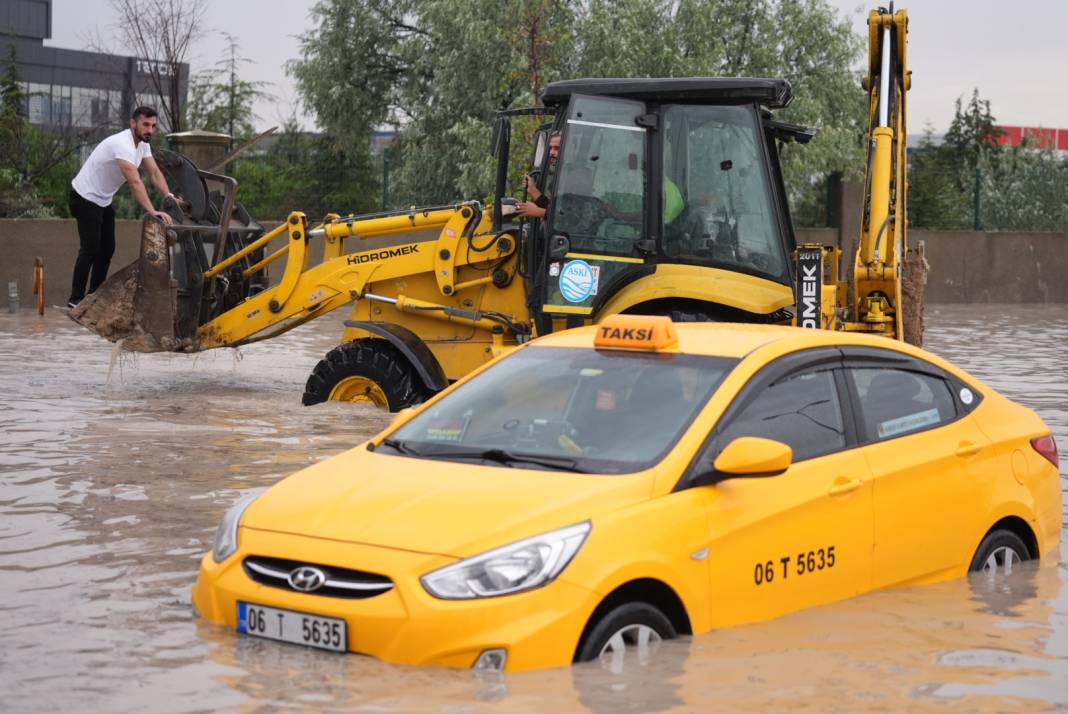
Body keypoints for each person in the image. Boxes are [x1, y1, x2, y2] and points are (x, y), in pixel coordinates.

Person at [67, 106, 174, 307]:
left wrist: (169, 196)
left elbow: (154, 173)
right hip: (84, 197)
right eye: (145, 124)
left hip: (102, 200)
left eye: (153, 126)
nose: (149, 130)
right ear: (133, 123)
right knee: (91, 247)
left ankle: (94, 296)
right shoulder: (122, 144)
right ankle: (76, 299)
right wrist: (152, 211)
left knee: (107, 248)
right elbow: (135, 182)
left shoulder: (142, 145)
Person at [516, 131, 561, 219]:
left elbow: (570, 218)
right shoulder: (561, 173)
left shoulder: (576, 176)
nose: (551, 152)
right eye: (550, 148)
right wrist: (533, 190)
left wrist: (541, 213)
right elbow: (554, 208)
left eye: (557, 148)